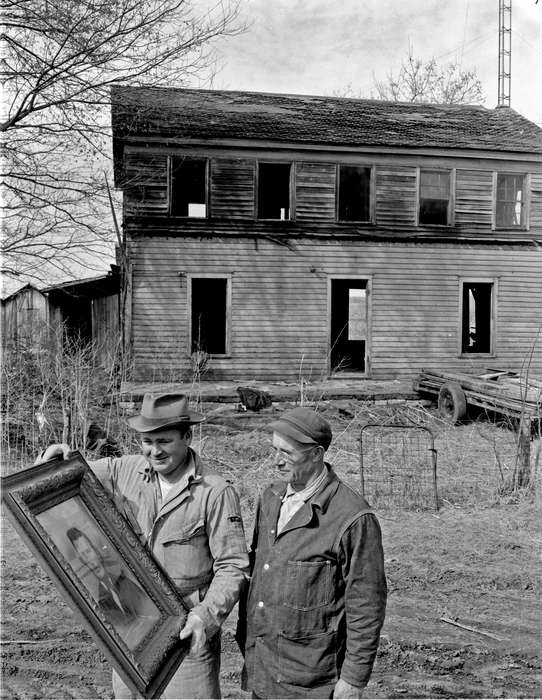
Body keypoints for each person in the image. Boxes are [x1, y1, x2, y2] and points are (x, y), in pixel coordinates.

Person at [37, 393, 249, 699]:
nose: (154, 451)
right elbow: (74, 474)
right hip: (132, 625)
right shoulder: (126, 469)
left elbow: (233, 566)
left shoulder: (214, 492)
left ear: (187, 436)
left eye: (163, 441)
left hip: (185, 632)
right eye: (147, 442)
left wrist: (206, 615)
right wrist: (62, 455)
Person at [236, 407, 387, 699]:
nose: (276, 461)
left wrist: (353, 680)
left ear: (317, 454)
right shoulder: (270, 498)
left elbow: (366, 604)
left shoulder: (352, 518)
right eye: (274, 450)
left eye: (287, 453)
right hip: (263, 666)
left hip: (312, 678)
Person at [67, 527, 156, 630]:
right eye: (82, 556)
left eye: (88, 551)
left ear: (96, 551)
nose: (88, 560)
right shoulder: (100, 603)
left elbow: (151, 612)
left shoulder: (125, 581)